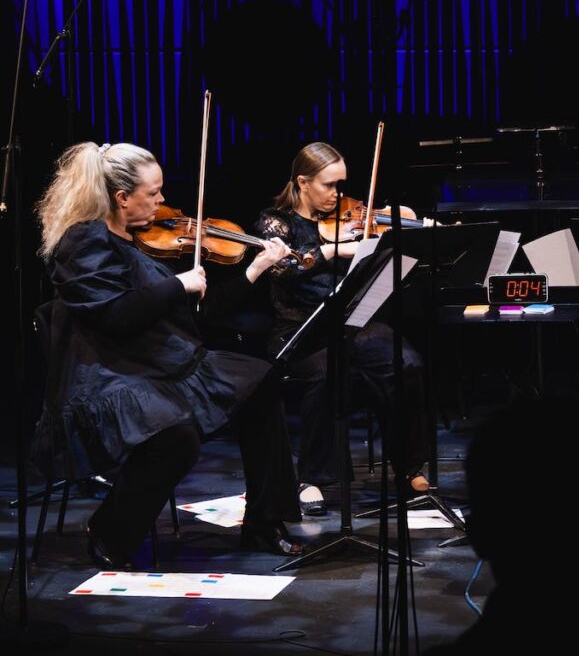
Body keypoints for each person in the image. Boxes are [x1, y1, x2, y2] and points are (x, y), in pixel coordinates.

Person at [32, 142, 305, 569]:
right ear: (122, 198)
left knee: (262, 381)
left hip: (160, 363)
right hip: (111, 373)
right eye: (153, 193)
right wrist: (178, 285)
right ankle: (110, 531)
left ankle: (264, 522)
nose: (162, 203)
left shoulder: (137, 237)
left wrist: (251, 271)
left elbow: (197, 317)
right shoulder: (84, 242)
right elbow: (115, 315)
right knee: (175, 434)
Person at [255, 142, 430, 511]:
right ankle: (313, 477)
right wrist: (335, 250)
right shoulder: (276, 221)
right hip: (299, 328)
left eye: (341, 185)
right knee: (325, 372)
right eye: (329, 185)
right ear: (303, 183)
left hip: (351, 322)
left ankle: (407, 462)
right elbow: (281, 269)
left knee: (406, 362)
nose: (338, 195)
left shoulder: (351, 219)